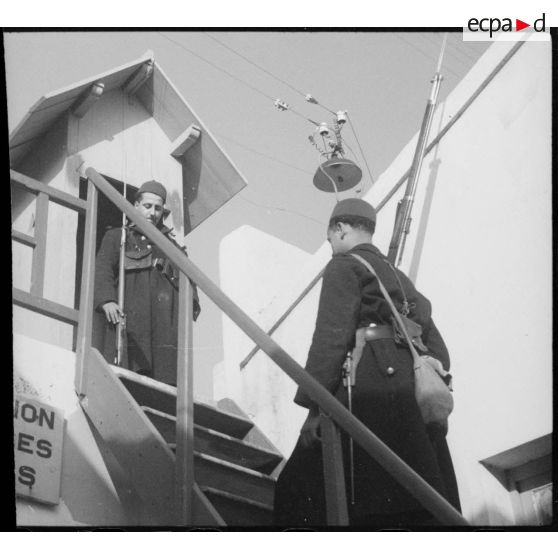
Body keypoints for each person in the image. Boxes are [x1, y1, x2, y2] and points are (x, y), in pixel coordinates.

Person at [273, 198, 460, 527]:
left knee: (297, 489)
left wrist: (313, 407)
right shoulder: (401, 278)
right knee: (419, 499)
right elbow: (439, 351)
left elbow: (330, 341)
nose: (330, 244)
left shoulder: (343, 266)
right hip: (412, 404)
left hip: (369, 395)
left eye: (330, 237)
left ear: (341, 228)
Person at [93, 180, 200, 385]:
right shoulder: (117, 236)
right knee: (129, 367)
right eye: (147, 206)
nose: (152, 213)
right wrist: (107, 300)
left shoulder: (174, 247)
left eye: (158, 208)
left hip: (163, 324)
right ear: (136, 206)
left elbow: (190, 283)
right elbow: (103, 269)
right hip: (132, 318)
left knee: (165, 372)